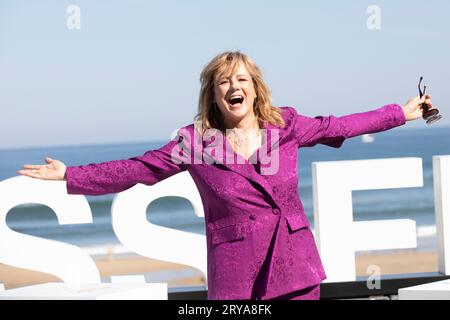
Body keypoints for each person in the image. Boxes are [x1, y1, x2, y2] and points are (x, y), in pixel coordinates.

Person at [17, 51, 435, 300]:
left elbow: (338, 125)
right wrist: (71, 175)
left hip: (296, 268)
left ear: (255, 88)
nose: (233, 86)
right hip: (236, 274)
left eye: (241, 79)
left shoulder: (284, 125)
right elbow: (138, 169)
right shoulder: (194, 142)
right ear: (214, 94)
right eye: (223, 81)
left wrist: (402, 112)